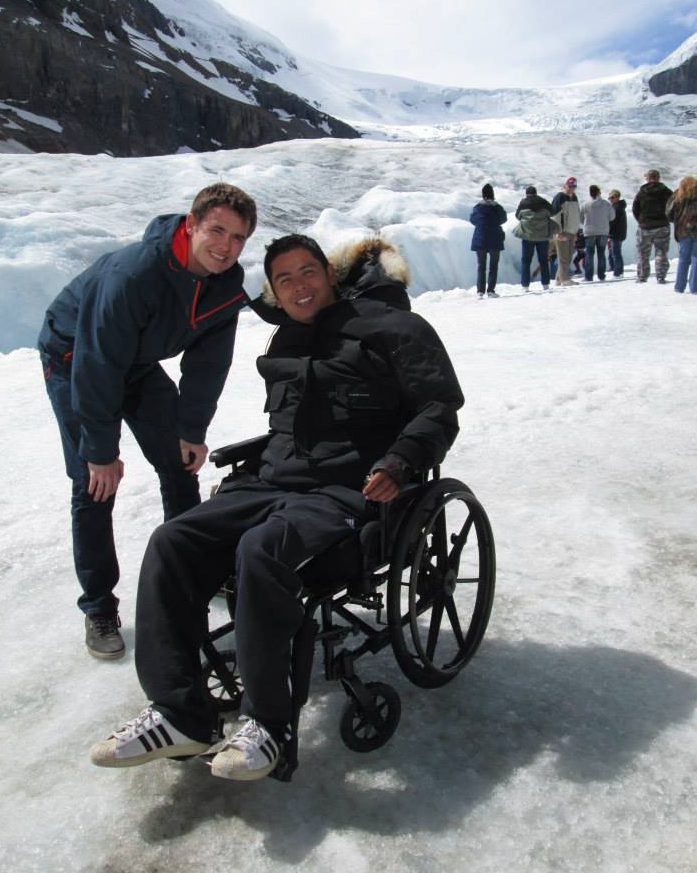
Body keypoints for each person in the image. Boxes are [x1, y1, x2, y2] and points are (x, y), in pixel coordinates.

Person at [89, 234, 463, 781]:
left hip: (351, 493)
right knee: (173, 541)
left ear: (329, 275)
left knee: (262, 550)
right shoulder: (286, 338)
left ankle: (270, 727)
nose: (298, 286)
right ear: (276, 291)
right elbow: (285, 428)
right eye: (284, 279)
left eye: (307, 272)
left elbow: (438, 406)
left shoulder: (396, 330)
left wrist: (400, 461)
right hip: (272, 483)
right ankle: (180, 714)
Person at [38, 183, 257, 661]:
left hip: (134, 362)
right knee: (95, 484)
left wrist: (192, 431)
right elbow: (96, 363)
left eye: (238, 238)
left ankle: (186, 572)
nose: (225, 246)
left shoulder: (224, 288)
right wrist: (100, 451)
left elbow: (208, 365)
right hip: (75, 356)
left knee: (179, 466)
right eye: (216, 230)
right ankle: (99, 606)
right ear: (191, 223)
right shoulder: (134, 274)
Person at [632, 168, 673, 283]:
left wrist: (641, 220)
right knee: (661, 251)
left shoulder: (641, 193)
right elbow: (673, 206)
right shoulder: (666, 192)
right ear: (658, 178)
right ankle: (660, 276)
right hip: (662, 226)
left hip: (645, 226)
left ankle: (642, 276)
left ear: (648, 178)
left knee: (643, 252)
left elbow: (635, 209)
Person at [514, 185, 555, 292]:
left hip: (528, 236)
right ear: (536, 193)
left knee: (526, 261)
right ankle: (545, 284)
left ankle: (525, 286)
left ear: (527, 194)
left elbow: (518, 216)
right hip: (543, 236)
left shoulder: (523, 203)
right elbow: (552, 212)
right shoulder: (543, 201)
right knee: (543, 260)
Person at [469, 183, 507, 298]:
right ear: (492, 194)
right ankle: (490, 291)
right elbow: (504, 219)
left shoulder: (477, 207)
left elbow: (472, 220)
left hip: (480, 238)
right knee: (493, 266)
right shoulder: (498, 207)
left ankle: (480, 291)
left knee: (481, 266)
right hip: (495, 238)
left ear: (483, 195)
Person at [666, 176, 697, 294]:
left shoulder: (677, 196)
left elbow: (669, 213)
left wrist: (679, 221)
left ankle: (679, 287)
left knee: (683, 259)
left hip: (682, 231)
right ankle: (694, 287)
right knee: (696, 259)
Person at [551, 177, 581, 286]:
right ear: (565, 185)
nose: (572, 188)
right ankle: (564, 279)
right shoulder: (560, 197)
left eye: (574, 186)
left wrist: (576, 231)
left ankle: (559, 278)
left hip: (572, 231)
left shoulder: (574, 197)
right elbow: (555, 215)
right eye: (570, 186)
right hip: (562, 231)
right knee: (563, 256)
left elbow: (576, 214)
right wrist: (558, 230)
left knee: (568, 256)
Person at [580, 185, 615, 281]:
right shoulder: (606, 204)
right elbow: (612, 217)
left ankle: (588, 276)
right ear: (599, 192)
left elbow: (581, 218)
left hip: (589, 232)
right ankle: (601, 275)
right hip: (603, 231)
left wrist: (587, 224)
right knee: (601, 253)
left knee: (589, 254)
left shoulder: (585, 204)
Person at [607, 190, 627, 278]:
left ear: (617, 197)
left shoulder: (617, 208)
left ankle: (618, 272)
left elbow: (613, 222)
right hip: (619, 234)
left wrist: (608, 231)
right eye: (609, 198)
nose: (610, 200)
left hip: (616, 234)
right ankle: (619, 271)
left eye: (612, 198)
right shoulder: (618, 207)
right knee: (616, 252)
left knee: (616, 253)